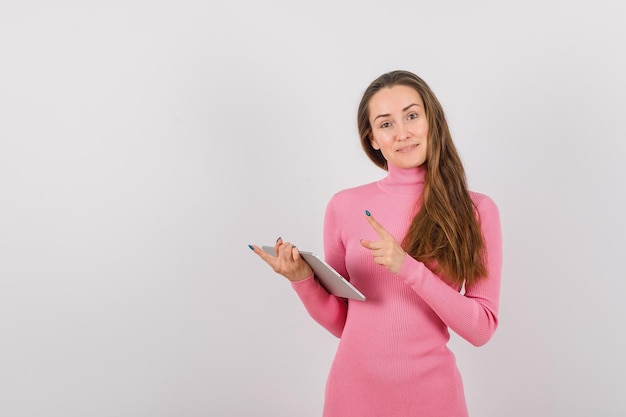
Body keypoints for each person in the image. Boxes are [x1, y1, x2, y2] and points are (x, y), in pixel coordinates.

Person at [249, 70, 502, 417]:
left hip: (433, 399)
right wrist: (301, 280)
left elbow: (481, 328)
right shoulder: (343, 206)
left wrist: (409, 268)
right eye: (386, 124)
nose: (402, 133)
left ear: (432, 121)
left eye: (412, 116)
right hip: (353, 396)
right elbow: (344, 322)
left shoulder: (476, 211)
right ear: (372, 139)